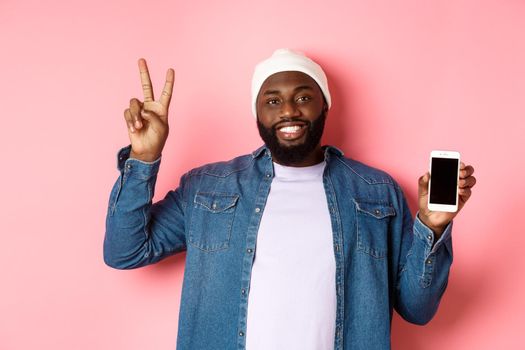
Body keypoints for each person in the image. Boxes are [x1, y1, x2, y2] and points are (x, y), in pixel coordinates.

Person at [104, 49, 476, 350]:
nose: (288, 111)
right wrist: (144, 159)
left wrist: (432, 224)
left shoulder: (376, 191)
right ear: (257, 113)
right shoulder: (207, 187)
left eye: (303, 97)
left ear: (324, 106)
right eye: (273, 100)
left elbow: (418, 309)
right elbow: (125, 250)